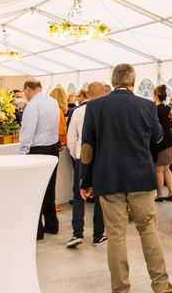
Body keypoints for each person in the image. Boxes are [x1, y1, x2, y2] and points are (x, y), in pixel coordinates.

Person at [80, 64, 172, 293]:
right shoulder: (146, 105)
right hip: (141, 177)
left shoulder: (94, 107)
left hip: (109, 178)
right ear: (133, 81)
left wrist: (85, 181)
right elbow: (158, 138)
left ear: (112, 82)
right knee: (148, 229)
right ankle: (161, 285)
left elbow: (87, 148)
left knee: (115, 235)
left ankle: (120, 289)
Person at [66, 82, 106, 249]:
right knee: (100, 198)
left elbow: (71, 139)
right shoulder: (105, 111)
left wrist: (76, 156)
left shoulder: (77, 112)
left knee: (78, 196)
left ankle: (77, 233)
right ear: (103, 94)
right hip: (101, 160)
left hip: (82, 159)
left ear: (87, 94)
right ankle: (98, 235)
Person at [19, 79, 60, 240]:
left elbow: (28, 130)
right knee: (49, 189)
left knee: (34, 190)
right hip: (52, 148)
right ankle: (52, 225)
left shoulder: (33, 105)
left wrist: (23, 152)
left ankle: (37, 231)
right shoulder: (52, 102)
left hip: (36, 150)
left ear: (28, 89)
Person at [153, 85, 172, 202]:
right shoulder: (169, 108)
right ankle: (171, 193)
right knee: (167, 168)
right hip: (171, 141)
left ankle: (160, 194)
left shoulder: (154, 110)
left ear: (156, 95)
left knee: (159, 170)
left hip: (161, 141)